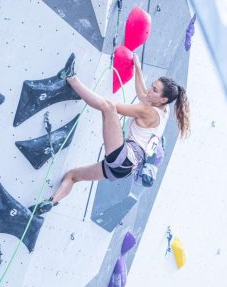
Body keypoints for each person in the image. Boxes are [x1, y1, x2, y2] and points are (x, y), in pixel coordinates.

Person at [29, 53, 190, 215]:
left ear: (163, 99)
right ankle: (51, 201)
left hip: (124, 157)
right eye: (152, 85)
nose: (149, 90)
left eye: (154, 90)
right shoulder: (165, 110)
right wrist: (138, 68)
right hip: (123, 169)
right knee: (72, 176)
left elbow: (112, 106)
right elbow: (143, 95)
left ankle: (69, 77)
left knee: (108, 107)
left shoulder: (147, 111)